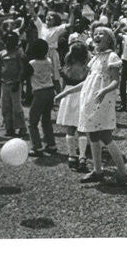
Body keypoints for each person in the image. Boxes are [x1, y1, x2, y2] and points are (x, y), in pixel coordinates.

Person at [76, 27, 127, 185]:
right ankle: (97, 171)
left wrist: (103, 91)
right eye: (95, 33)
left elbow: (115, 81)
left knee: (105, 135)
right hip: (90, 100)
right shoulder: (95, 58)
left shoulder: (112, 56)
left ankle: (123, 172)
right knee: (92, 134)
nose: (97, 35)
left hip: (103, 100)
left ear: (110, 40)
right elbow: (89, 80)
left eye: (102, 34)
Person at [55, 41, 90, 170]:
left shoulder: (67, 69)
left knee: (70, 129)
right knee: (81, 130)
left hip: (68, 97)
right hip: (82, 96)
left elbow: (64, 86)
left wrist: (61, 96)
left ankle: (71, 155)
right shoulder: (86, 70)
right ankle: (82, 156)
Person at [0, 31, 27, 137]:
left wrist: (18, 82)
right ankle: (9, 128)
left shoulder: (19, 53)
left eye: (12, 40)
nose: (9, 42)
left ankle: (22, 127)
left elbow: (22, 69)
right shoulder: (2, 53)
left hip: (14, 83)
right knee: (5, 107)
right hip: (4, 83)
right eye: (7, 40)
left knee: (17, 107)